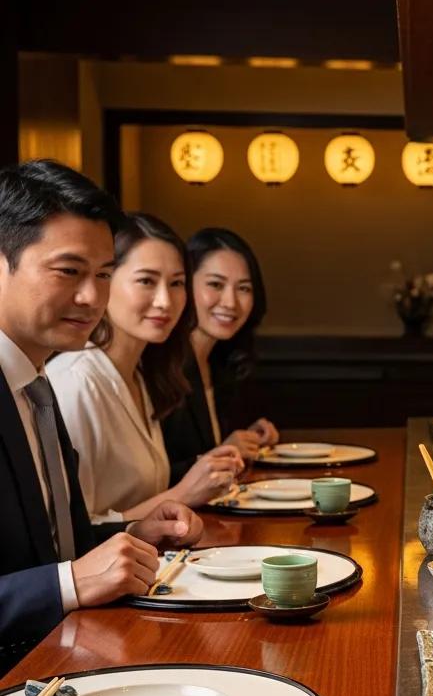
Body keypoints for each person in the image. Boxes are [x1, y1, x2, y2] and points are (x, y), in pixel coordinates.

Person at [0, 160, 202, 663]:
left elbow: (50, 547)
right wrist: (70, 581)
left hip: (66, 661)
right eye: (68, 271)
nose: (92, 297)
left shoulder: (36, 384)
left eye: (104, 274)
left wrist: (132, 535)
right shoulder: (62, 378)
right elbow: (61, 573)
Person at [47, 214, 244, 521]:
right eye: (146, 281)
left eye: (176, 283)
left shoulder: (140, 374)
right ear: (105, 281)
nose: (165, 301)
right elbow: (71, 533)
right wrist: (182, 494)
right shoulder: (76, 382)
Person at [162, 227, 278, 478]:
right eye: (215, 284)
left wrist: (248, 438)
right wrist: (222, 454)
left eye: (244, 288)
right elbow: (152, 480)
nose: (230, 302)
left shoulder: (223, 361)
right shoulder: (163, 365)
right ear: (183, 284)